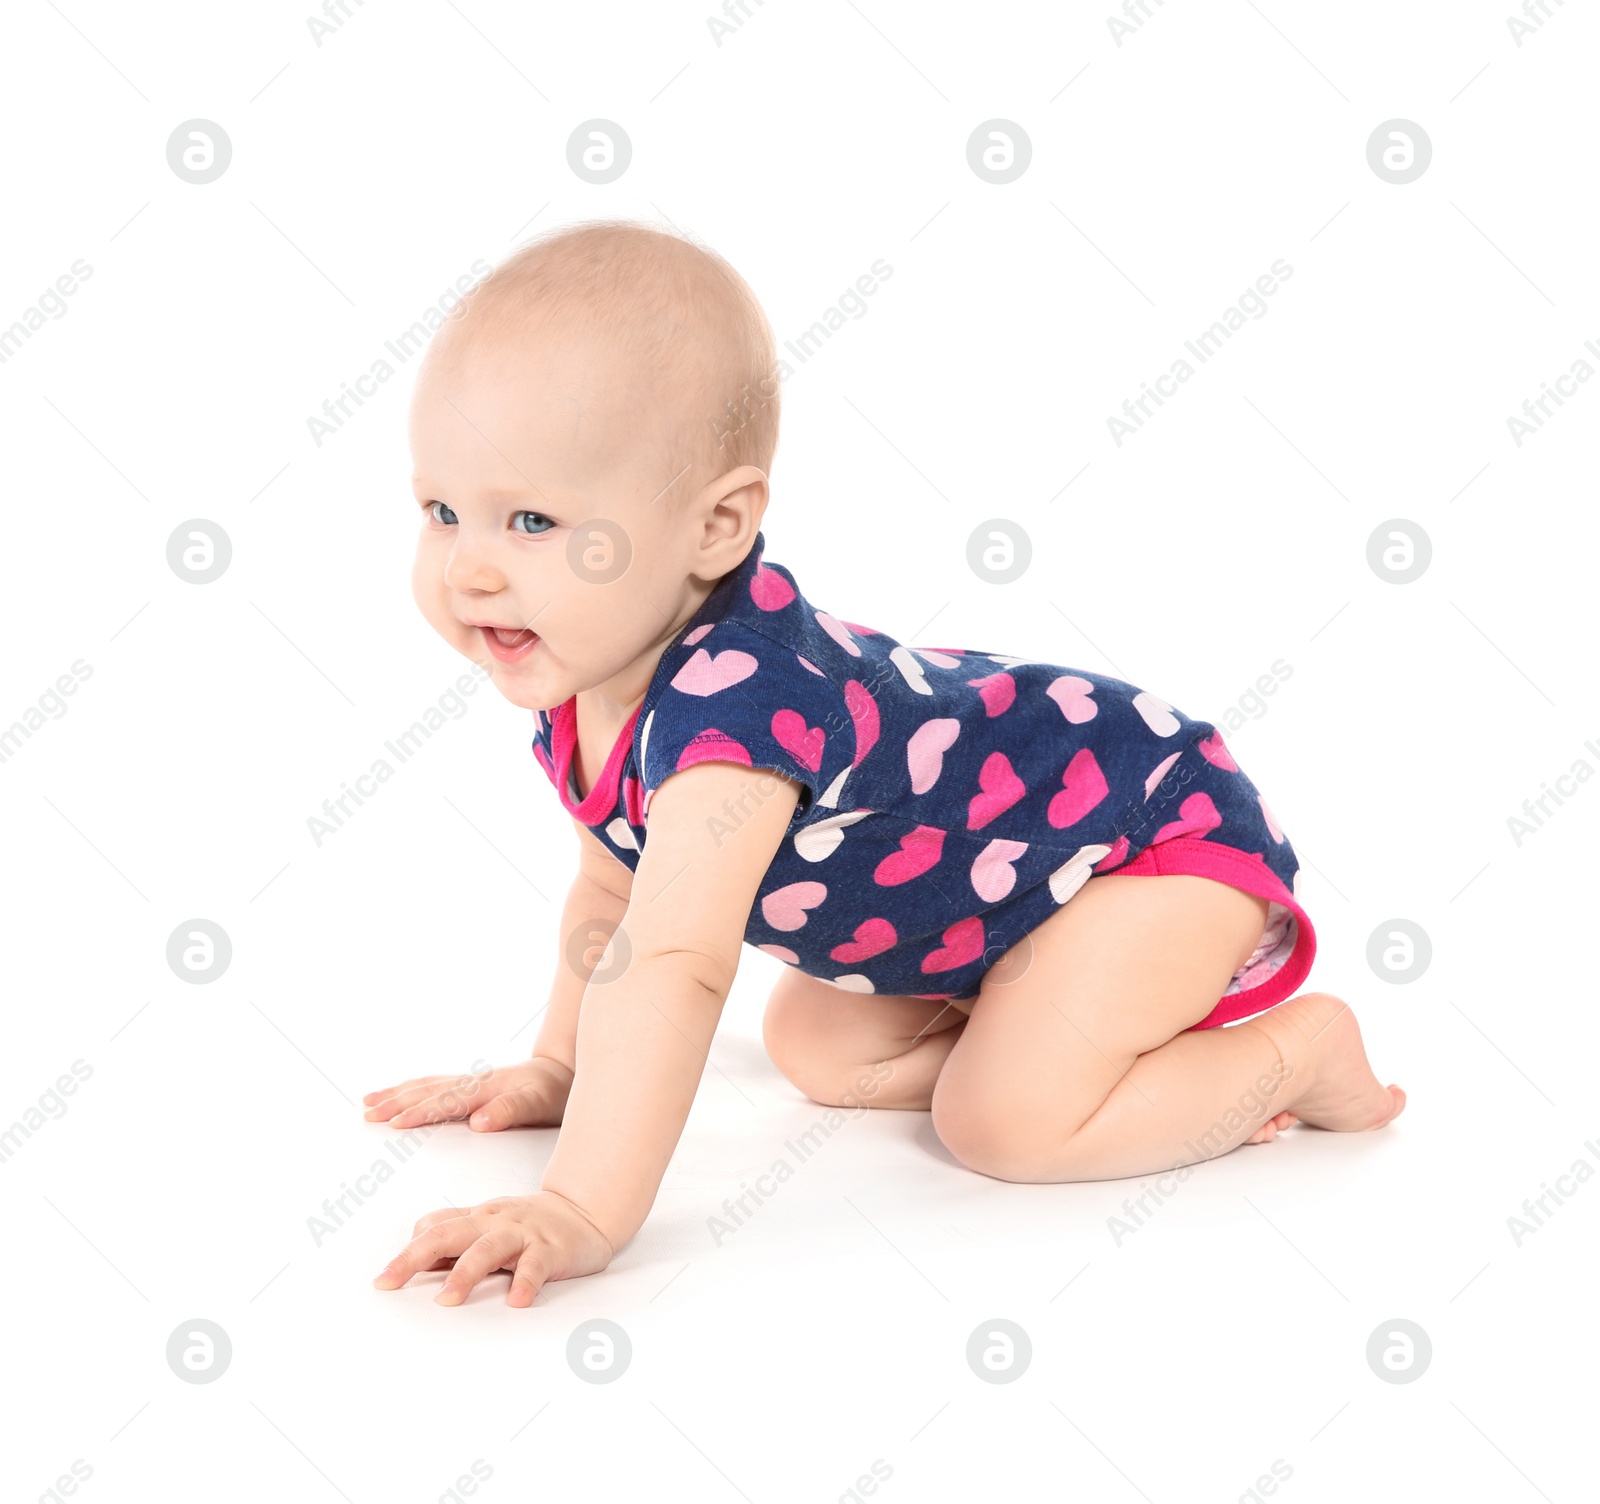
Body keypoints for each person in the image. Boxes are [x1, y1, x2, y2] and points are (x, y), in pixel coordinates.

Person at [364, 219, 1404, 1308]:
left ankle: (1299, 1052)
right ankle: (1042, 1018)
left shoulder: (739, 715)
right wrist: (560, 1071)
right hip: (1012, 884)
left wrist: (577, 1204)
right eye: (442, 511)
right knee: (817, 1046)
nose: (470, 570)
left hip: (1147, 835)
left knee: (1003, 1123)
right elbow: (613, 888)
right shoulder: (591, 664)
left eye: (532, 520)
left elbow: (673, 961)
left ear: (717, 526)